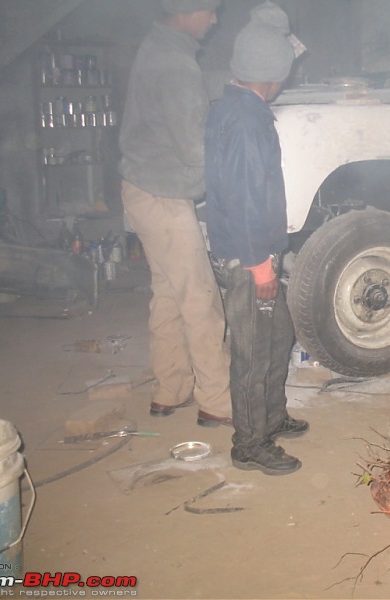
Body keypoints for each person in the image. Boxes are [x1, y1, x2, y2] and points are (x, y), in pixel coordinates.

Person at [204, 1, 308, 476]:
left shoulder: (239, 106)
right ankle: (250, 442)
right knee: (252, 350)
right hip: (248, 259)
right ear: (272, 74)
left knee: (277, 335)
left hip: (255, 252)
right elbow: (246, 197)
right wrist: (260, 266)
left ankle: (270, 417)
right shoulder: (246, 121)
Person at [119, 0, 232, 427]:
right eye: (210, 10)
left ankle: (170, 390)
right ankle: (218, 403)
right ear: (186, 11)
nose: (215, 19)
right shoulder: (175, 63)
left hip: (142, 190)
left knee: (168, 293)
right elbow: (194, 148)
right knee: (200, 298)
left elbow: (186, 100)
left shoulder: (159, 47)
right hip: (164, 197)